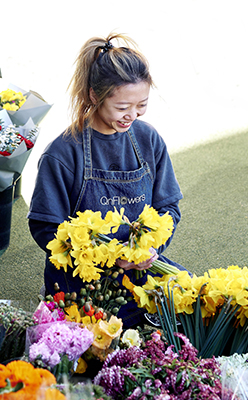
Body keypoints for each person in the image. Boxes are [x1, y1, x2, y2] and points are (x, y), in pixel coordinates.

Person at [27, 33, 186, 328]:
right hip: (83, 279)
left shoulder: (148, 139)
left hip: (140, 270)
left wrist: (151, 249)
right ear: (93, 96)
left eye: (142, 105)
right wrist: (101, 256)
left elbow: (169, 206)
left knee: (192, 307)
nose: (132, 116)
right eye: (123, 107)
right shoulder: (63, 153)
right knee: (101, 337)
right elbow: (45, 226)